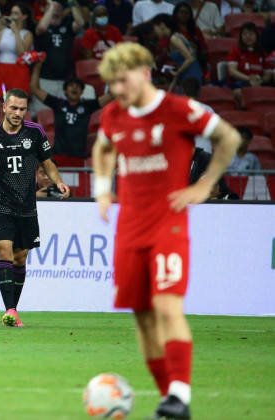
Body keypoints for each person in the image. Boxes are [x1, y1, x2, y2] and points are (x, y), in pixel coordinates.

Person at [92, 42, 240, 420]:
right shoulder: (114, 114)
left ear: (144, 72)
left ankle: (179, 392)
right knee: (141, 314)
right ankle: (171, 402)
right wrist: (103, 189)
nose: (118, 91)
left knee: (166, 305)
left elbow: (230, 138)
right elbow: (103, 148)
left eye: (123, 82)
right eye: (113, 85)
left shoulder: (178, 110)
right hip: (129, 228)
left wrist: (205, 184)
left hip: (168, 225)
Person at [0, 88, 69, 327]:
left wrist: (58, 181)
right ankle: (9, 309)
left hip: (26, 206)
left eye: (22, 109)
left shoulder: (35, 132)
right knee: (5, 252)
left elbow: (47, 162)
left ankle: (13, 310)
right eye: (14, 108)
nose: (18, 113)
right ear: (4, 107)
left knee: (20, 259)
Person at [30, 61, 112, 166]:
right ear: (65, 91)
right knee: (58, 183)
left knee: (77, 183)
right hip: (59, 156)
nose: (74, 88)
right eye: (71, 86)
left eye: (78, 86)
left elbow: (111, 95)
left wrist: (113, 70)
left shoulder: (88, 106)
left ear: (82, 92)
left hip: (79, 158)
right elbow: (35, 88)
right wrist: (37, 65)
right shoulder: (57, 103)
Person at [31, 1, 87, 113]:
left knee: (63, 114)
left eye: (58, 9)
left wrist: (72, 4)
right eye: (52, 9)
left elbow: (80, 24)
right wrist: (51, 6)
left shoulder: (68, 25)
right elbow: (41, 28)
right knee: (43, 115)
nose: (55, 12)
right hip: (44, 79)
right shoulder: (40, 26)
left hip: (64, 80)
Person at [0, 2, 33, 109]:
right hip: (0, 69)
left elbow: (22, 53)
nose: (12, 16)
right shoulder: (3, 31)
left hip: (18, 71)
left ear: (24, 16)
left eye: (16, 13)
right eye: (11, 13)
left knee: (15, 108)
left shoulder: (27, 34)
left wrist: (16, 31)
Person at [152, 14, 202, 93]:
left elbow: (190, 58)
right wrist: (170, 89)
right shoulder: (177, 36)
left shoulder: (174, 38)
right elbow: (181, 65)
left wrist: (176, 72)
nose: (154, 32)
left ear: (162, 25)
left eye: (154, 28)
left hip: (190, 76)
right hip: (186, 74)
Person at [226, 22, 273, 105]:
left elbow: (267, 74)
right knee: (240, 93)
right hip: (238, 84)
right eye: (244, 34)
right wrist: (249, 79)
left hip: (258, 84)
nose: (248, 36)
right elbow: (232, 71)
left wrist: (259, 80)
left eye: (251, 34)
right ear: (241, 36)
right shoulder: (235, 51)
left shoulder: (262, 53)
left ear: (256, 36)